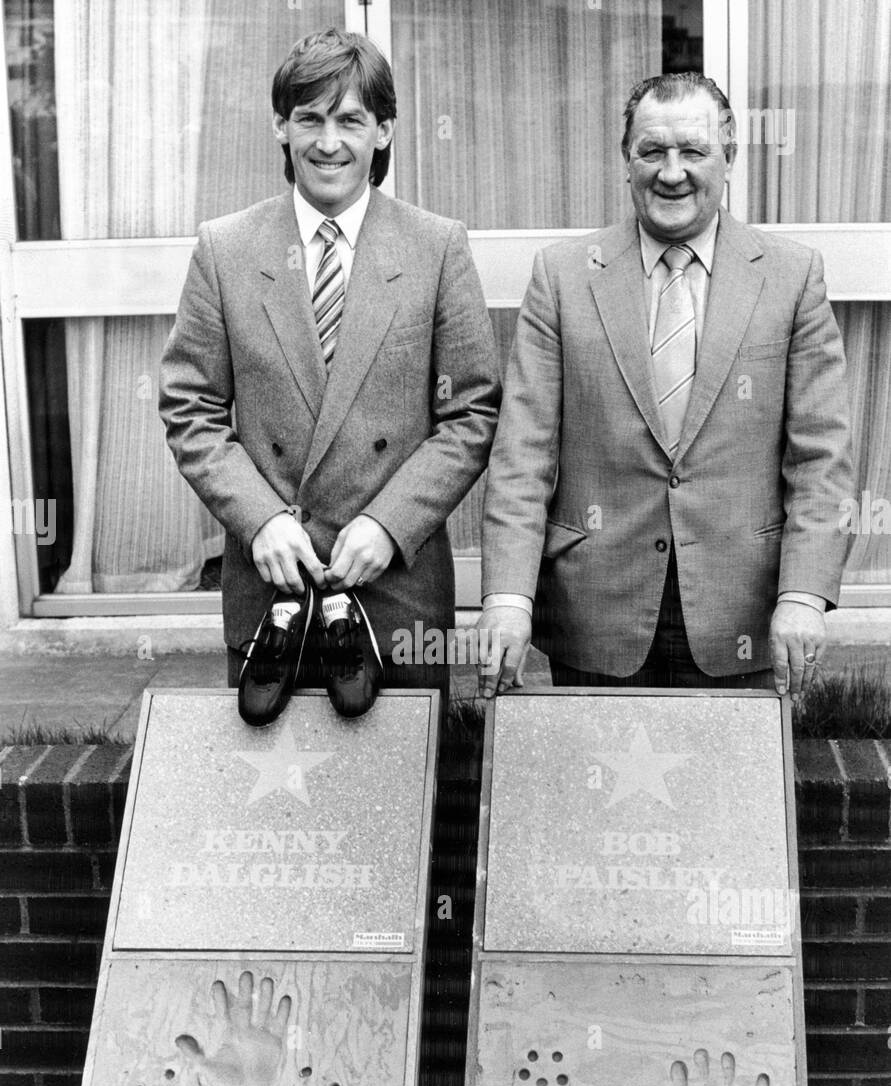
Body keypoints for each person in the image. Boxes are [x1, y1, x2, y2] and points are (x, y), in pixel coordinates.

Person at [478, 73, 852, 699]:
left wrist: (804, 595)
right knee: (594, 795)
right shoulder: (563, 278)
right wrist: (508, 599)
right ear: (626, 160)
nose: (671, 172)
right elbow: (523, 458)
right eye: (652, 151)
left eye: (693, 151)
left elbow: (822, 460)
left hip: (747, 617)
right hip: (594, 617)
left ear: (728, 158)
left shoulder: (792, 277)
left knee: (735, 798)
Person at [160, 28, 499, 705]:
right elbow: (190, 407)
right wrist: (260, 520)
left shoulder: (436, 247)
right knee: (272, 798)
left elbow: (470, 413)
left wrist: (389, 524)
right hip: (271, 592)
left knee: (403, 795)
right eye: (309, 118)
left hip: (394, 591)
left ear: (382, 131)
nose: (328, 141)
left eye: (350, 120)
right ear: (281, 128)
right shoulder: (224, 249)